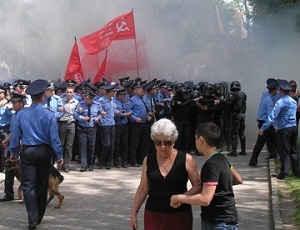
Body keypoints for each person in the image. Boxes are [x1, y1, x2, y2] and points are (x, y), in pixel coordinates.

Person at [9, 79, 64, 230]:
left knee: (28, 186)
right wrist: (59, 155)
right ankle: (38, 216)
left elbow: (15, 136)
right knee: (41, 185)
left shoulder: (21, 114)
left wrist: (13, 152)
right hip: (44, 152)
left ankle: (32, 219)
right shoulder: (48, 114)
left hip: (27, 151)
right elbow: (54, 138)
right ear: (42, 96)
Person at [130, 118, 201, 230]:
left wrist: (182, 198)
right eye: (158, 142)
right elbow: (143, 188)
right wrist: (133, 213)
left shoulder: (186, 159)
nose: (163, 147)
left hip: (180, 216)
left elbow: (198, 186)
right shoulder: (148, 160)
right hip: (153, 215)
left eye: (167, 142)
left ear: (174, 141)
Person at [170, 122, 242, 230]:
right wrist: (220, 185)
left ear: (200, 140)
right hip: (228, 219)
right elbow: (238, 179)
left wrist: (179, 197)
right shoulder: (222, 159)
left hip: (218, 222)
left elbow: (205, 199)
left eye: (195, 138)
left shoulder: (211, 165)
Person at [259, 79, 299, 180]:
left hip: (284, 129)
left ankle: (283, 173)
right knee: (293, 151)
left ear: (281, 90)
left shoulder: (280, 102)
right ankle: (297, 171)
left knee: (284, 152)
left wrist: (263, 128)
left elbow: (272, 116)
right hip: (294, 127)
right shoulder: (293, 101)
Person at [0, 92, 26, 202]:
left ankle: (28, 195)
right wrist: (6, 140)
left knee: (25, 171)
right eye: (12, 102)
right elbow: (12, 131)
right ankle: (9, 194)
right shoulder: (15, 115)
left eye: (15, 103)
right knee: (9, 169)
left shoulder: (26, 114)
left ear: (21, 103)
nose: (13, 105)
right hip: (13, 146)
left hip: (23, 146)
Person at [248, 79, 279, 167]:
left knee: (266, 142)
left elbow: (260, 110)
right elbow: (270, 116)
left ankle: (254, 160)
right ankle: (253, 161)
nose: (277, 91)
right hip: (266, 125)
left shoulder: (265, 98)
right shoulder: (269, 101)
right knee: (272, 142)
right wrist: (275, 126)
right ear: (274, 90)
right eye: (276, 90)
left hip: (262, 122)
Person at [59, 85, 79, 172]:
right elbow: (57, 110)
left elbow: (78, 113)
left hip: (72, 124)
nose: (69, 94)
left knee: (69, 145)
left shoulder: (76, 102)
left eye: (71, 92)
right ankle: (60, 163)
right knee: (61, 144)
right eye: (67, 92)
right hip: (63, 123)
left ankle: (67, 165)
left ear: (73, 93)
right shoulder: (61, 101)